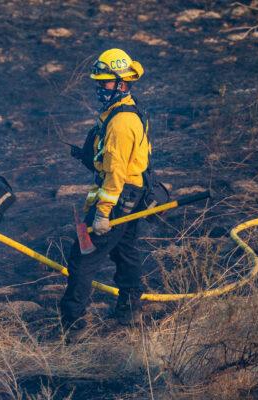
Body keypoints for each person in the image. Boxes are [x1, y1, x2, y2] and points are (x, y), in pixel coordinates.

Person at [59, 48, 151, 328]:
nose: (100, 87)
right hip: (133, 195)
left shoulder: (121, 123)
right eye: (98, 82)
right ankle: (130, 310)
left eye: (105, 82)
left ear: (122, 83)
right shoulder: (121, 111)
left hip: (119, 197)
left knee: (82, 260)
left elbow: (115, 174)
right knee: (125, 252)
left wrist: (102, 214)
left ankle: (73, 326)